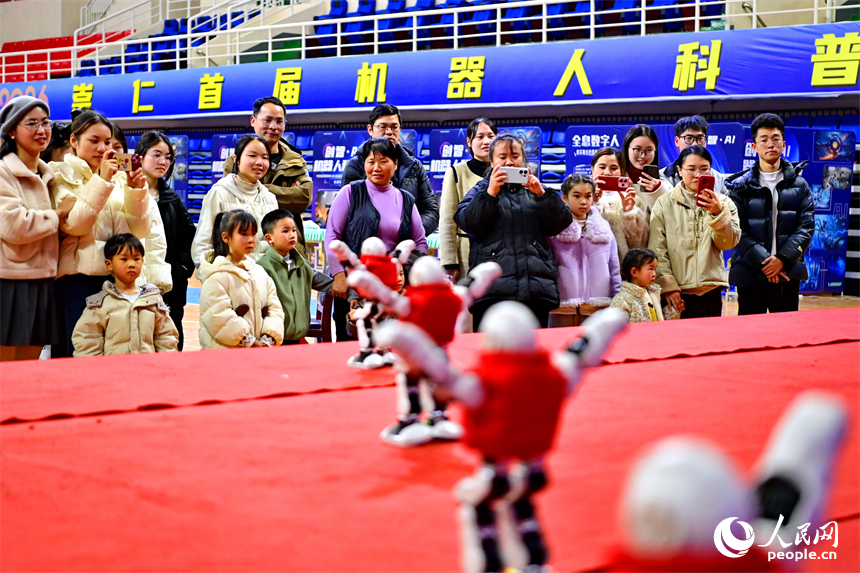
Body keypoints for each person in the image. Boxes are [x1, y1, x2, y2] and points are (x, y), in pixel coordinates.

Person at [375, 304, 628, 573]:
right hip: (532, 466)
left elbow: (444, 375)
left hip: (495, 469)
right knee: (521, 509)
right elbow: (579, 356)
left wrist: (409, 344)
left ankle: (489, 562)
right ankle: (530, 560)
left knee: (480, 509)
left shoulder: (488, 384)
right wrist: (606, 325)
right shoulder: (552, 376)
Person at [49, 110, 151, 358]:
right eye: (93, 141)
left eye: (107, 142)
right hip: (77, 280)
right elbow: (75, 225)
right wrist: (103, 181)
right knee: (78, 352)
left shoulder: (120, 178)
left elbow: (138, 231)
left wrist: (135, 191)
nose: (103, 148)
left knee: (115, 351)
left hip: (117, 278)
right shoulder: (58, 174)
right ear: (74, 141)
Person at [454, 133, 572, 329]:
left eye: (515, 156)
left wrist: (542, 195)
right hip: (492, 291)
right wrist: (490, 194)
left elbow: (561, 223)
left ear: (523, 159)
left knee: (534, 345)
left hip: (535, 289)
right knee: (491, 346)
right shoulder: (481, 189)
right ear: (492, 162)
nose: (509, 162)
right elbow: (468, 222)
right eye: (502, 157)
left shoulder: (536, 188)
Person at [325, 137, 428, 341]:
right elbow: (332, 236)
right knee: (351, 342)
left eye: (383, 161)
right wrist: (338, 275)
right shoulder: (350, 192)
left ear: (395, 164)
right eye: (371, 162)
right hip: (353, 285)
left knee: (392, 346)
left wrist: (404, 275)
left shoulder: (406, 199)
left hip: (392, 289)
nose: (376, 168)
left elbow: (420, 243)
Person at [0, 96, 74, 361]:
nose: (41, 130)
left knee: (28, 369)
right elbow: (13, 225)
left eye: (45, 123)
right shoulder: (3, 172)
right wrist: (58, 215)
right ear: (11, 130)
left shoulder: (49, 175)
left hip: (43, 281)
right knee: (5, 370)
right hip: (10, 282)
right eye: (31, 123)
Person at [727, 113, 814, 315]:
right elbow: (737, 230)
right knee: (750, 332)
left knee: (786, 332)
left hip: (786, 273)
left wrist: (781, 260)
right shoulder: (740, 186)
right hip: (750, 273)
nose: (770, 144)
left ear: (783, 144)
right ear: (754, 147)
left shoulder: (800, 185)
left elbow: (806, 227)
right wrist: (765, 263)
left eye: (775, 139)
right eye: (764, 140)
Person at [648, 146, 740, 319]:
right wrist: (668, 286)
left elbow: (728, 243)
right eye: (691, 169)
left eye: (704, 169)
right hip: (676, 292)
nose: (698, 174)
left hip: (710, 289)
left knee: (709, 336)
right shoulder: (664, 203)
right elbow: (657, 248)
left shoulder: (724, 203)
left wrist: (717, 213)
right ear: (680, 170)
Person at [222, 96, 313, 257]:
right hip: (247, 250)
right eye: (267, 120)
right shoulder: (235, 162)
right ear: (253, 121)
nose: (273, 126)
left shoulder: (296, 161)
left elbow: (303, 198)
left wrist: (256, 188)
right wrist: (285, 193)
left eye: (279, 121)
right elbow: (237, 203)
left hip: (289, 251)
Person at [136, 131, 197, 350]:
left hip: (169, 286)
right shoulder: (124, 193)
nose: (163, 161)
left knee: (170, 340)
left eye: (168, 157)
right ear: (140, 155)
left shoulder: (172, 200)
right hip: (133, 281)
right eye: (156, 154)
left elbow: (188, 238)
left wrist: (180, 270)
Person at [72, 233, 178, 356]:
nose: (131, 264)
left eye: (136, 259)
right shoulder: (99, 305)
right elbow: (87, 340)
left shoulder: (154, 300)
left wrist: (165, 363)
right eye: (124, 259)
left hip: (147, 367)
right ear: (109, 264)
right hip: (114, 368)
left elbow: (166, 337)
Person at [341, 103, 439, 236]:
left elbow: (431, 211)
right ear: (370, 129)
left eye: (394, 127)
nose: (389, 132)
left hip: (408, 244)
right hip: (368, 245)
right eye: (383, 127)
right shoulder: (356, 166)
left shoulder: (414, 166)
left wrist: (409, 233)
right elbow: (351, 213)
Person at [198, 209, 284, 349]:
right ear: (226, 237)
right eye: (244, 234)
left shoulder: (260, 272)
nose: (250, 240)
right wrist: (249, 341)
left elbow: (275, 309)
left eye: (253, 234)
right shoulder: (217, 277)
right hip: (225, 354)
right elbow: (218, 316)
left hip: (259, 352)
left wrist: (268, 339)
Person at [191, 134, 278, 266]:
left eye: (265, 157)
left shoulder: (270, 198)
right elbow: (203, 245)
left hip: (264, 276)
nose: (259, 162)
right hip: (229, 275)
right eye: (252, 155)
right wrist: (213, 273)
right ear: (237, 160)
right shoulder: (219, 193)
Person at [108, 122, 172, 295]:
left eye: (117, 147)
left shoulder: (147, 192)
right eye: (157, 154)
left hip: (135, 281)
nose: (109, 152)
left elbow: (155, 241)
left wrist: (157, 283)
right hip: (93, 279)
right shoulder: (79, 182)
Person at [257, 209, 332, 345]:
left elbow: (329, 284)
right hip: (271, 339)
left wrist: (355, 292)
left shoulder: (302, 265)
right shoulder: (263, 267)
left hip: (297, 336)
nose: (292, 235)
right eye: (285, 231)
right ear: (269, 238)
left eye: (293, 230)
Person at [549, 175, 620, 316]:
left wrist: (618, 301)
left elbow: (614, 269)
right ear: (564, 197)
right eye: (576, 196)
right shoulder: (554, 230)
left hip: (598, 308)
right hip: (562, 308)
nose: (583, 201)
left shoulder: (604, 230)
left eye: (588, 196)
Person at [439, 117, 497, 282]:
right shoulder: (456, 172)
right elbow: (447, 221)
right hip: (467, 253)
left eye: (491, 136)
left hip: (500, 253)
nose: (486, 141)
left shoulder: (506, 172)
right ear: (469, 142)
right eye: (480, 136)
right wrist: (449, 262)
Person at [590, 147, 649, 260]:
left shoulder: (633, 199)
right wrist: (593, 202)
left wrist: (629, 212)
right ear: (592, 169)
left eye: (613, 168)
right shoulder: (582, 197)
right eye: (602, 167)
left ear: (621, 171)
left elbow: (640, 243)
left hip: (625, 266)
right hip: (594, 263)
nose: (607, 172)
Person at [660, 115, 727, 194]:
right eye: (689, 138)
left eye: (700, 138)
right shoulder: (661, 177)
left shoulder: (720, 180)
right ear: (677, 141)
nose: (695, 144)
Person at [610, 248, 678, 322]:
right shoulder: (622, 299)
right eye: (650, 269)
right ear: (634, 272)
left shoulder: (653, 293)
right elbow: (616, 326)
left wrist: (674, 310)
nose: (654, 274)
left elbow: (658, 320)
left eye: (655, 269)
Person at [621, 124, 672, 216]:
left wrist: (658, 190)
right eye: (637, 149)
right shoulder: (617, 179)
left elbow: (672, 217)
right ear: (627, 148)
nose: (643, 156)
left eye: (649, 150)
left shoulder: (665, 184)